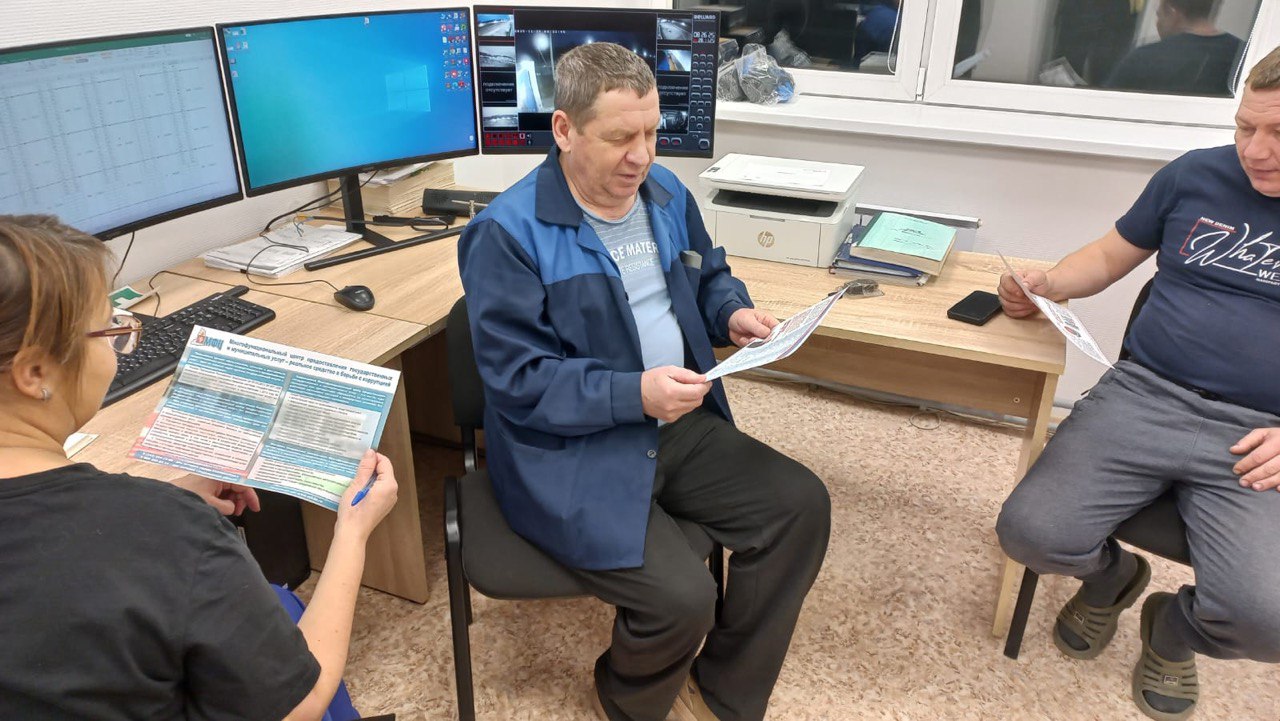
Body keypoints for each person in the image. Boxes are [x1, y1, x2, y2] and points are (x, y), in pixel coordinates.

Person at [457, 42, 831, 721]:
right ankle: (624, 700)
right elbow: (519, 381)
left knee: (799, 507)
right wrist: (633, 393)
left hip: (675, 424)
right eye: (620, 138)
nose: (643, 155)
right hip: (567, 452)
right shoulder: (506, 233)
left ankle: (720, 692)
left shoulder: (665, 194)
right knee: (682, 600)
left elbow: (707, 274)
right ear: (564, 130)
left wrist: (731, 311)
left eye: (653, 133)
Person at [0, 214, 400, 720]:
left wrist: (154, 510)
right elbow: (298, 706)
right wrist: (352, 533)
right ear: (35, 371)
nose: (123, 342)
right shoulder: (168, 529)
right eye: (109, 330)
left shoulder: (156, 523)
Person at [996, 46, 1280, 721]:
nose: (1254, 150)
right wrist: (1049, 283)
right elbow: (1106, 255)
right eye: (1245, 127)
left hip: (1260, 435)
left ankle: (1172, 631)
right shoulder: (1193, 175)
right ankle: (1114, 578)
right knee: (1029, 533)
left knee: (1266, 622)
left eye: (1278, 133)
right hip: (1147, 392)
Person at [1104, 0, 1245, 96]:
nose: (1158, 23)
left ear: (1172, 12)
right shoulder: (1243, 55)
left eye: (1158, 14)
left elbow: (1105, 105)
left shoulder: (1142, 60)